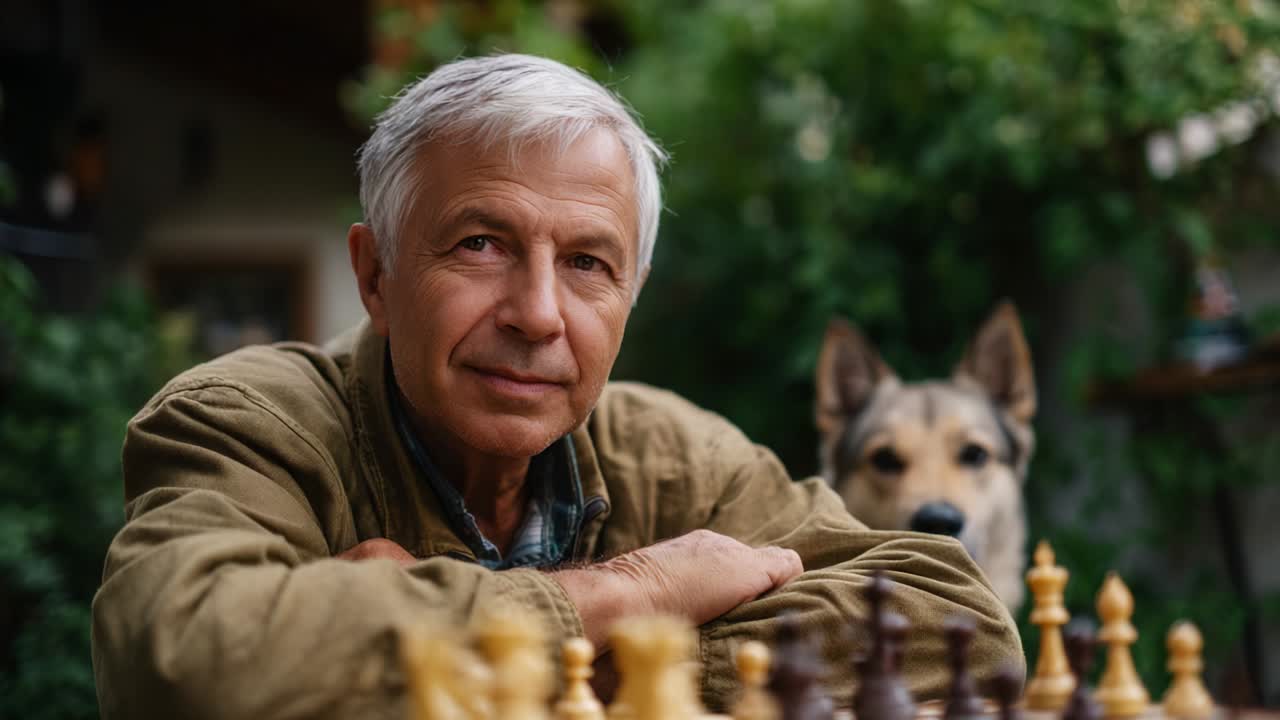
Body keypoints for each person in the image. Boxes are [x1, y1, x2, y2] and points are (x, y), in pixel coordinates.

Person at [91, 53, 1021, 719]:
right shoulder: (244, 423)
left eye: (586, 262)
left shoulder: (676, 454)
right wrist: (631, 593)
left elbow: (961, 621)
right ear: (376, 276)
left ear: (629, 300)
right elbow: (184, 661)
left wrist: (511, 668)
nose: (538, 313)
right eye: (481, 244)